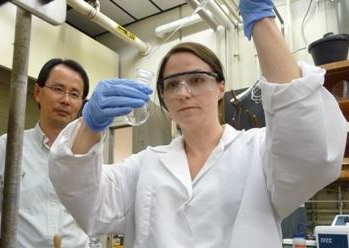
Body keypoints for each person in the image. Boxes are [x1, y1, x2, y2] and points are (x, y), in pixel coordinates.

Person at [48, 0, 347, 247]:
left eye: (196, 79)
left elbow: (312, 150)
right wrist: (90, 123)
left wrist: (260, 19)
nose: (183, 92)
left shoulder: (259, 152)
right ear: (163, 98)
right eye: (171, 84)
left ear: (221, 87)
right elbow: (88, 202)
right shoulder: (145, 165)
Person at [0, 58, 89, 248]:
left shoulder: (86, 154)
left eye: (74, 94)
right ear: (38, 92)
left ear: (81, 103)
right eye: (58, 89)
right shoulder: (7, 146)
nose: (66, 100)